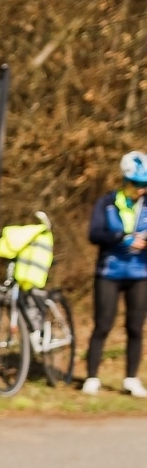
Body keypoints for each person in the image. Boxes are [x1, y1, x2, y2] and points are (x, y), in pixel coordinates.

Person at [81, 151, 147, 396]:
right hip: (109, 272)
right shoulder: (107, 202)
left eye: (145, 185)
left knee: (135, 327)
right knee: (103, 325)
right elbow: (94, 234)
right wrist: (121, 237)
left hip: (140, 273)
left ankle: (131, 379)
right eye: (138, 184)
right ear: (126, 181)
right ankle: (92, 377)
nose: (141, 189)